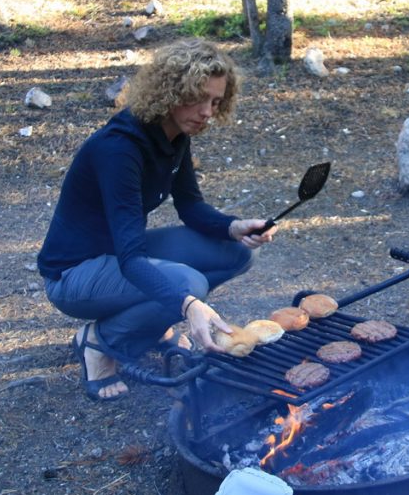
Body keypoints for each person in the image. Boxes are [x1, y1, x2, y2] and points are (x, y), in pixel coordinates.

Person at [37, 39, 276, 401]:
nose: (208, 112)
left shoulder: (175, 134)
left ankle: (149, 324)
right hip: (74, 274)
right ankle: (100, 342)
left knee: (236, 252)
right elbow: (132, 259)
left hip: (118, 253)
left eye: (216, 102)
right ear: (174, 91)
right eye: (201, 98)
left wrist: (233, 227)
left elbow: (191, 206)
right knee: (189, 285)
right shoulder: (119, 149)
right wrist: (188, 306)